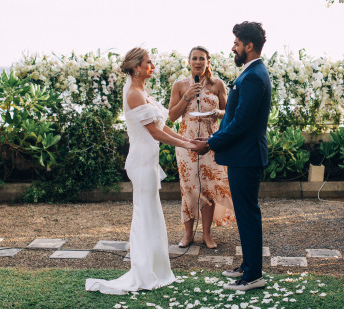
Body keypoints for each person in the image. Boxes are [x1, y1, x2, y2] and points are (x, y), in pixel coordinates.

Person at [85, 47, 197, 294]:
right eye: (149, 62)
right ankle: (143, 272)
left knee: (150, 214)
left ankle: (155, 270)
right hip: (141, 162)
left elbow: (161, 126)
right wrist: (188, 144)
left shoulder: (141, 91)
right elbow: (155, 132)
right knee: (144, 215)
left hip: (148, 160)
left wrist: (187, 142)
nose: (152, 66)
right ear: (137, 67)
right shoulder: (134, 93)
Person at [192, 21, 271, 291]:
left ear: (249, 46)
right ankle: (249, 266)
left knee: (248, 215)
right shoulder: (252, 73)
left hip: (246, 157)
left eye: (236, 44)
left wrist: (210, 143)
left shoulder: (253, 76)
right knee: (246, 214)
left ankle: (253, 276)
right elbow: (235, 118)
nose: (233, 48)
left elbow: (242, 124)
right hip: (243, 155)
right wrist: (211, 138)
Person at [168, 46, 236, 249]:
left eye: (202, 59)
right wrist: (187, 96)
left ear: (208, 62)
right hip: (186, 144)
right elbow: (171, 116)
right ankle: (188, 234)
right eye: (194, 58)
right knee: (189, 189)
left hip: (211, 142)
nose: (198, 62)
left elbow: (230, 113)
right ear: (189, 62)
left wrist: (218, 112)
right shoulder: (180, 85)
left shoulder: (217, 85)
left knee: (208, 189)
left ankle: (207, 234)